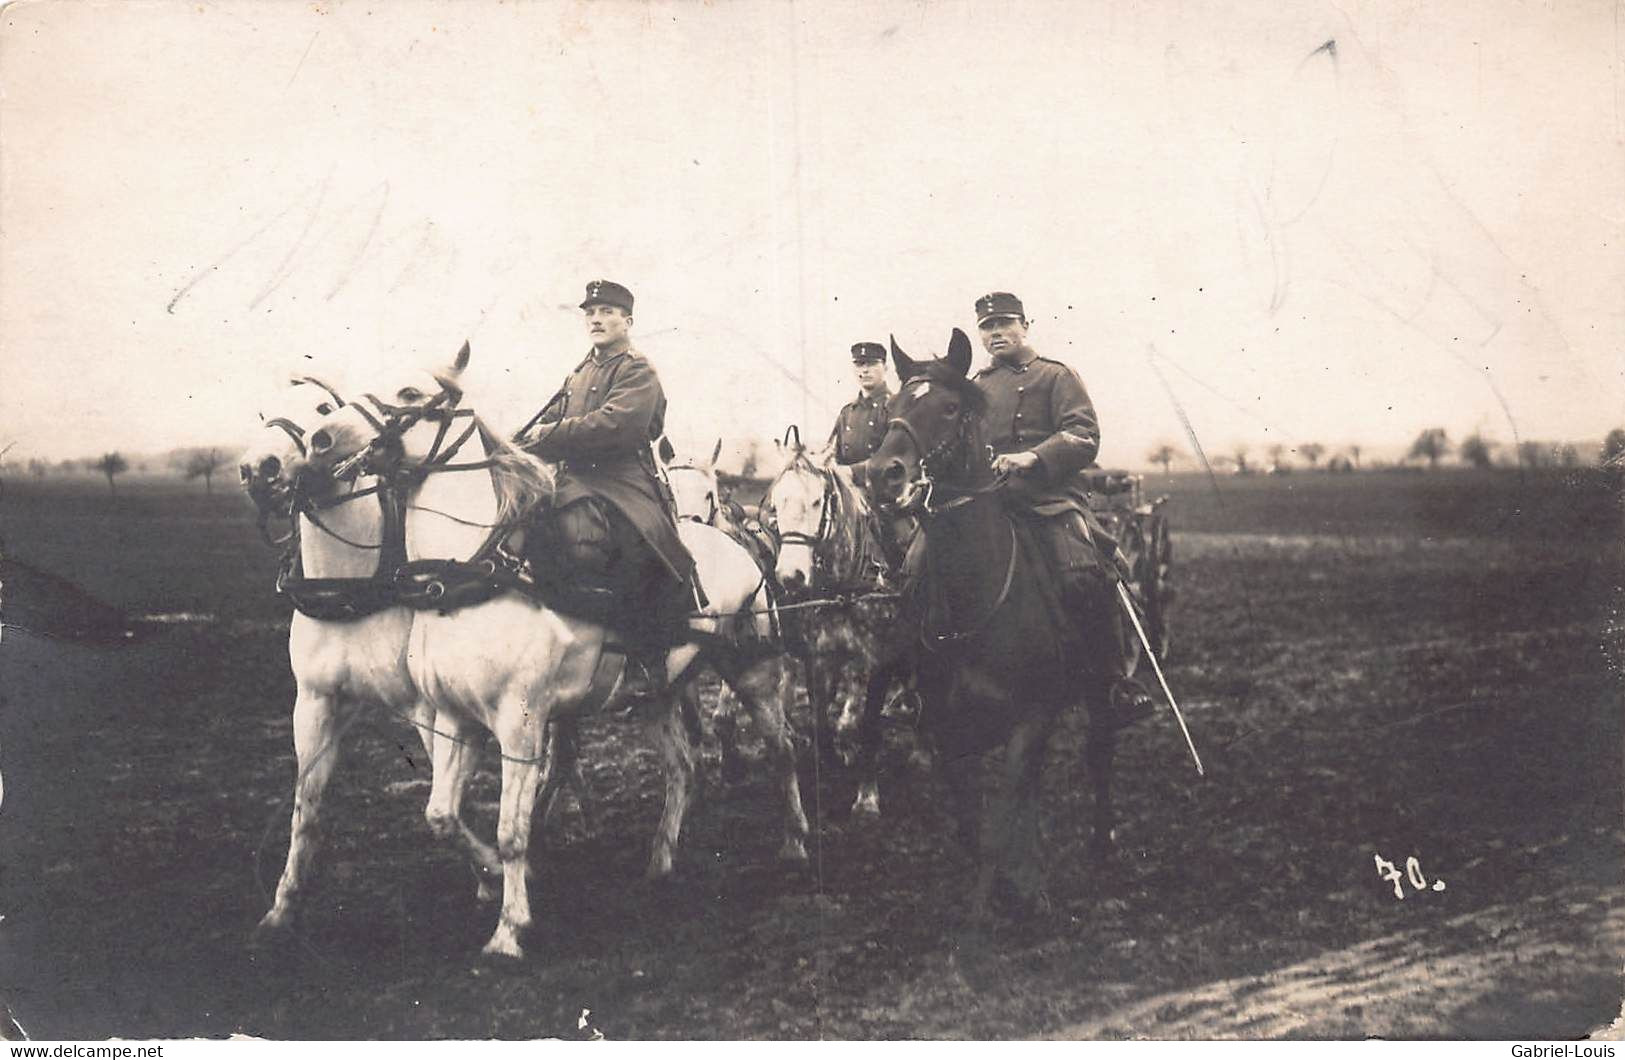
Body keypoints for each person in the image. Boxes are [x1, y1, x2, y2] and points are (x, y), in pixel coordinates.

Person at [970, 290, 1153, 727]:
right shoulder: (977, 387)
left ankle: (1112, 683)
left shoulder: (1055, 376)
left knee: (1084, 574)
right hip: (991, 502)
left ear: (1025, 326)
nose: (996, 333)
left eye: (1005, 324)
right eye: (988, 327)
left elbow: (1083, 434)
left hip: (1050, 499)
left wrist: (1032, 457)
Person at [518, 279, 694, 698]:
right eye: (590, 313)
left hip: (622, 479)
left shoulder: (637, 369)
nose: (596, 319)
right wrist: (519, 444)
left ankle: (643, 657)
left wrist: (549, 433)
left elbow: (618, 425)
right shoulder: (579, 371)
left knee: (633, 548)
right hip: (574, 475)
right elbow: (552, 421)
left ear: (627, 321)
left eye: (607, 312)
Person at [827, 342, 893, 479]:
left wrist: (852, 472)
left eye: (872, 364)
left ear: (885, 368)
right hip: (848, 489)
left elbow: (893, 458)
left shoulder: (895, 407)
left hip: (884, 492)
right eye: (859, 364)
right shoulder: (847, 412)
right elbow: (834, 454)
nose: (865, 370)